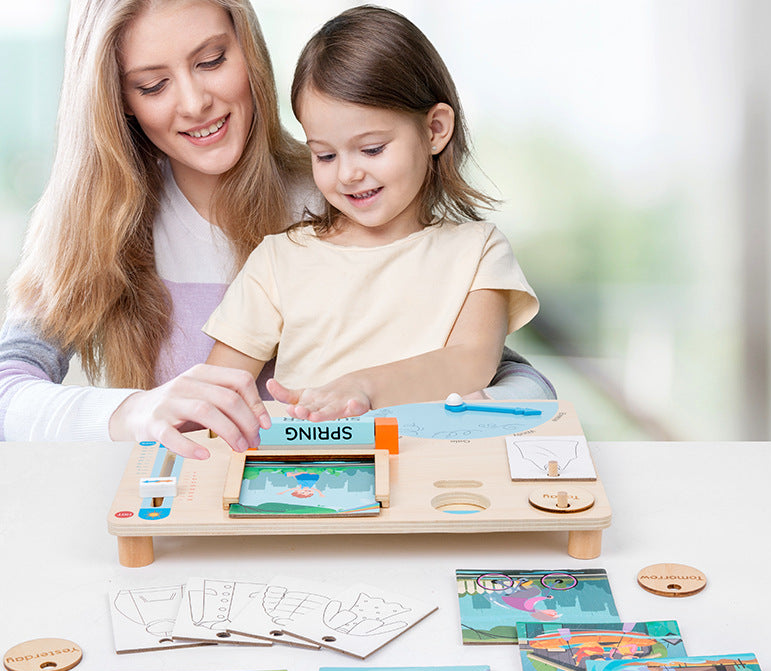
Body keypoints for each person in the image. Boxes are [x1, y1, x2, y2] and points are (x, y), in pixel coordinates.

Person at [0, 1, 554, 458]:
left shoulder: (345, 200)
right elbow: (9, 390)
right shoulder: (93, 225)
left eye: (212, 60)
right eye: (151, 85)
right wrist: (133, 413)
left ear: (249, 51)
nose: (195, 103)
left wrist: (499, 415)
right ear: (116, 101)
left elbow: (486, 367)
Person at [204, 5, 553, 421]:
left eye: (372, 149)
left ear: (435, 130)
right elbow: (214, 396)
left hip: (436, 474)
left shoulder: (478, 251)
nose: (349, 173)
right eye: (325, 154)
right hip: (313, 477)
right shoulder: (279, 260)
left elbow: (472, 362)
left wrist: (362, 388)